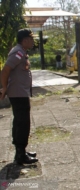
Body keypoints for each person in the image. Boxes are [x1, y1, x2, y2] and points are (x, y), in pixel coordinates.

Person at [0, 28, 38, 165]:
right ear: (25, 40)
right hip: (18, 93)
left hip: (20, 93)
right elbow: (5, 70)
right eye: (31, 39)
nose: (33, 42)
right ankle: (20, 155)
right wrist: (4, 88)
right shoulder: (18, 53)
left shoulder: (21, 51)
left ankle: (21, 151)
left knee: (20, 121)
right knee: (22, 123)